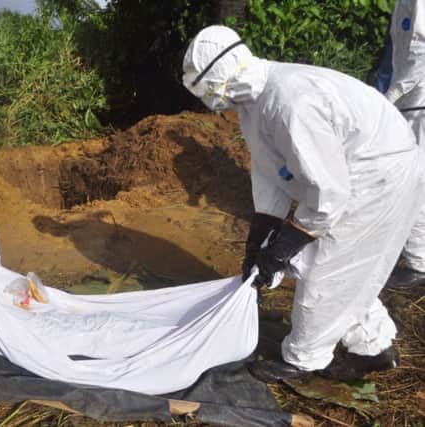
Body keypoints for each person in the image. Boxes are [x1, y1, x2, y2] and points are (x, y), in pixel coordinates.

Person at [182, 25, 425, 382]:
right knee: (352, 267)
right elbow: (271, 173)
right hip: (362, 169)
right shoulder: (256, 104)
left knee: (327, 268)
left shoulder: (291, 103)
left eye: (212, 93)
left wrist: (284, 246)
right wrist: (261, 235)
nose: (214, 104)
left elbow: (328, 194)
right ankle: (373, 345)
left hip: (378, 174)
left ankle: (305, 357)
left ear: (227, 77)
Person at [383, 0, 425, 288]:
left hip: (419, 101)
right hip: (411, 97)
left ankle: (419, 261)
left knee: (416, 176)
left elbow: (417, 55)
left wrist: (389, 100)